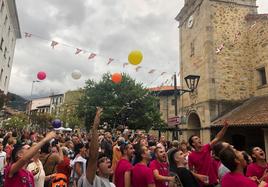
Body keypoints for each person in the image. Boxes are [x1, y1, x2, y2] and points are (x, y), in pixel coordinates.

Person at [78, 107, 115, 187]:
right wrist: (95, 128)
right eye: (103, 161)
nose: (108, 160)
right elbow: (93, 157)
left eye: (107, 159)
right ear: (96, 168)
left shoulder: (112, 185)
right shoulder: (92, 181)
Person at [188, 120, 229, 187]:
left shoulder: (206, 147)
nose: (199, 139)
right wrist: (198, 176)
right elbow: (190, 172)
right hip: (202, 183)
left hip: (214, 182)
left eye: (198, 138)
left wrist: (225, 127)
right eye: (196, 139)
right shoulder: (191, 156)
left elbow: (217, 138)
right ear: (193, 143)